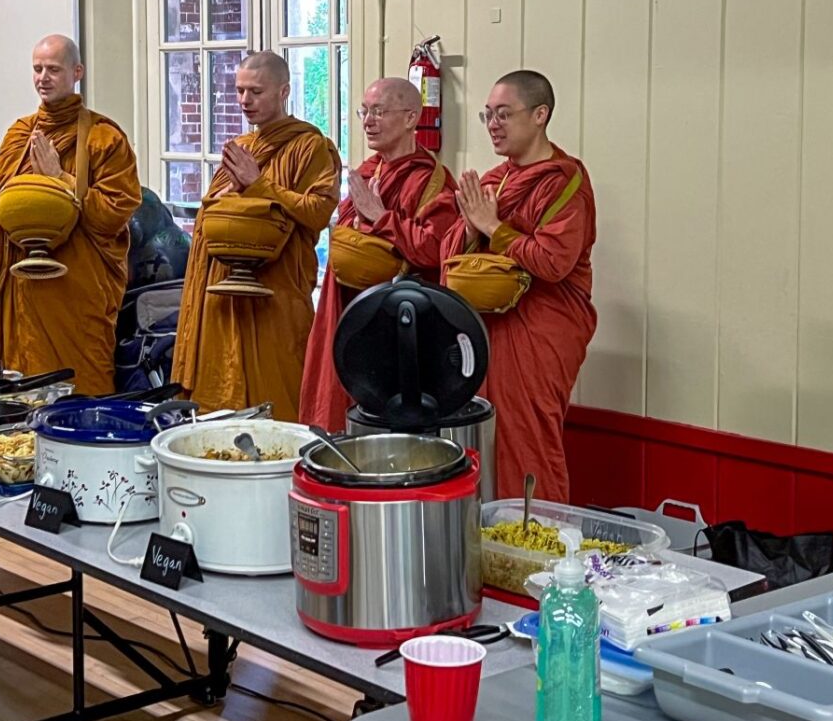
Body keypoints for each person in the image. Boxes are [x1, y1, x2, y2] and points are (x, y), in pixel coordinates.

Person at [441, 70, 596, 502]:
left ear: (540, 115)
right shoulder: (492, 182)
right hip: (488, 331)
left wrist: (493, 225)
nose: (493, 124)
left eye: (504, 114)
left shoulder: (564, 182)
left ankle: (538, 551)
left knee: (529, 442)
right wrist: (473, 230)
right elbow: (451, 256)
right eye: (487, 114)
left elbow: (553, 261)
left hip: (539, 332)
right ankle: (489, 550)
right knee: (485, 442)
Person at [0, 35, 142, 397]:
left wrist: (59, 179)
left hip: (75, 292)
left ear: (77, 72)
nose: (43, 77)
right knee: (20, 390)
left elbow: (114, 214)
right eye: (37, 69)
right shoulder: (19, 135)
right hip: (23, 287)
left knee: (79, 389)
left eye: (53, 69)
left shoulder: (103, 138)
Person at [172, 51, 341, 421]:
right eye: (239, 91)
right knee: (220, 407)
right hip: (222, 295)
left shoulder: (311, 146)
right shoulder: (242, 148)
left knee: (277, 402)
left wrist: (259, 185)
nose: (245, 101)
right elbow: (213, 211)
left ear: (284, 92)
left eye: (256, 92)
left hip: (276, 296)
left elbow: (317, 211)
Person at [299, 78, 458, 430]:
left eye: (380, 112)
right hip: (346, 307)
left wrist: (381, 218)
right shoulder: (368, 172)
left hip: (393, 321)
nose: (368, 121)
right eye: (364, 111)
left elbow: (435, 249)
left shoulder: (431, 181)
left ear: (411, 118)